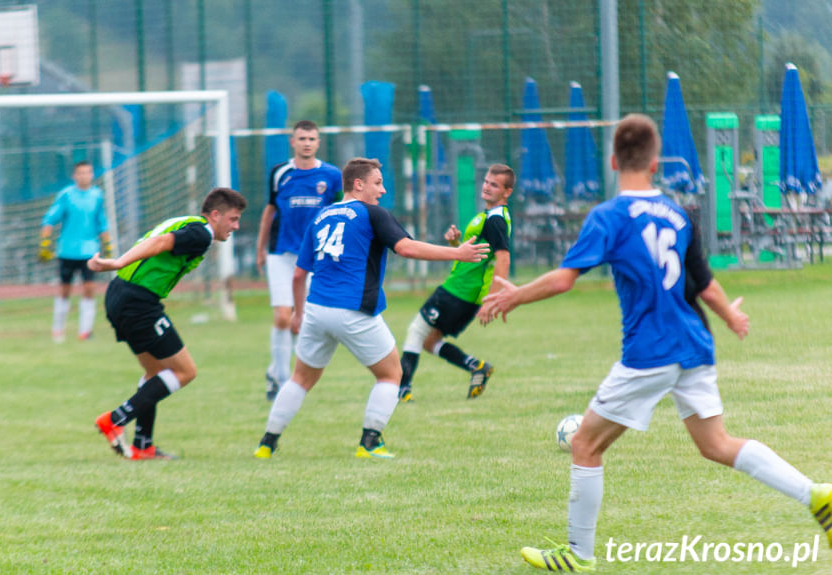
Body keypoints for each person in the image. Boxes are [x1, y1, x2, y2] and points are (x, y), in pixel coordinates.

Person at [480, 114, 832, 571]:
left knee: (586, 443)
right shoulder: (678, 214)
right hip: (694, 343)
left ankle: (577, 555)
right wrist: (731, 315)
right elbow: (703, 283)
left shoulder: (609, 216)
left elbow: (566, 279)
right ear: (654, 162)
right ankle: (817, 494)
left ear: (612, 160)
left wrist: (516, 295)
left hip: (651, 352)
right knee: (716, 444)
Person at [253, 158, 489, 460]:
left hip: (316, 308)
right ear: (358, 184)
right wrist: (457, 253)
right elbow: (406, 247)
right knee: (392, 373)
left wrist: (298, 313)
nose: (382, 189)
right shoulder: (371, 213)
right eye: (377, 183)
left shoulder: (322, 215)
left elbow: (299, 275)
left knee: (300, 378)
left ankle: (267, 443)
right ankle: (370, 442)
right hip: (353, 309)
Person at [90, 188, 247, 460]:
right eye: (233, 219)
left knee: (155, 373)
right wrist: (118, 262)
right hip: (138, 301)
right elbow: (161, 243)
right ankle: (115, 420)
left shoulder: (189, 222)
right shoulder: (202, 233)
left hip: (120, 295)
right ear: (215, 215)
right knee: (185, 372)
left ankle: (143, 445)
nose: (236, 225)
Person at [398, 164, 513, 402]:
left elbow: (503, 258)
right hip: (463, 291)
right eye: (486, 181)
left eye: (494, 184)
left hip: (459, 291)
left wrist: (493, 298)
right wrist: (456, 244)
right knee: (430, 341)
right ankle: (476, 367)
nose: (487, 187)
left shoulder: (495, 220)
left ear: (507, 192)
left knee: (416, 332)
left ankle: (401, 390)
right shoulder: (488, 217)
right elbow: (478, 254)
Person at [256, 120, 343, 401]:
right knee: (283, 316)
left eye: (312, 138)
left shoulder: (331, 176)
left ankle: (275, 371)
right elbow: (269, 211)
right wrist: (260, 249)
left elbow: (342, 211)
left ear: (318, 143)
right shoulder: (279, 173)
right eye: (302, 138)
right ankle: (281, 382)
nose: (307, 143)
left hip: (316, 258)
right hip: (280, 254)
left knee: (301, 320)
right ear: (292, 142)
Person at [38, 161, 113, 343]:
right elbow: (49, 219)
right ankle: (58, 330)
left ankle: (85, 332)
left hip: (89, 250)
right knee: (64, 290)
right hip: (67, 250)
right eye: (80, 173)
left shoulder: (97, 195)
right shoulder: (66, 195)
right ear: (74, 176)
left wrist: (108, 245)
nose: (84, 176)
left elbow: (101, 222)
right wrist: (44, 243)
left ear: (92, 174)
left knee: (88, 289)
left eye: (87, 172)